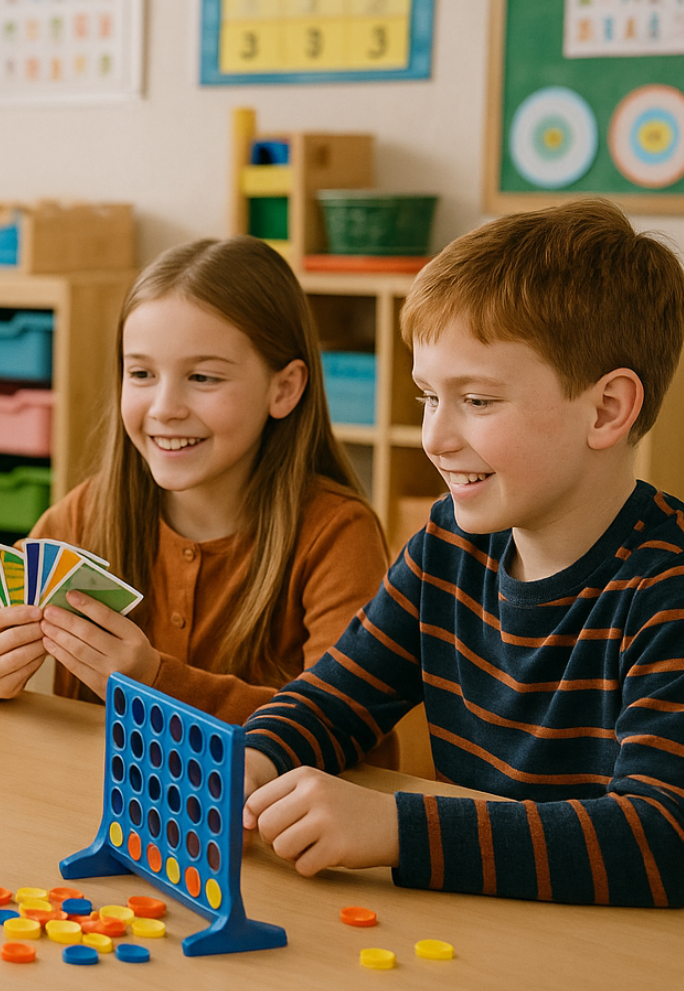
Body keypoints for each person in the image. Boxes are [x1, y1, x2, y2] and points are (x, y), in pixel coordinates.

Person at [242, 199, 684, 907]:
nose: (434, 438)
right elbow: (331, 699)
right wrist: (253, 758)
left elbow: (662, 839)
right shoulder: (446, 547)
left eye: (475, 400)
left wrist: (396, 827)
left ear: (605, 410)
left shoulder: (665, 588)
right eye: (426, 397)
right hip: (474, 934)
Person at [0, 237, 388, 725]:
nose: (164, 409)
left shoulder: (337, 535)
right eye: (141, 374)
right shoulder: (89, 512)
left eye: (203, 378)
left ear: (284, 389)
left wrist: (155, 680)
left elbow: (339, 725)